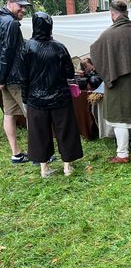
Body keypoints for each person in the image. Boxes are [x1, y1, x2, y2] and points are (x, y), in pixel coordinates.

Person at [21, 12, 83, 178]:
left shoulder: (26, 48)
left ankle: (44, 168)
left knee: (39, 133)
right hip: (60, 97)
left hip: (36, 99)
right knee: (65, 130)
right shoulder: (59, 47)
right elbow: (70, 73)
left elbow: (23, 77)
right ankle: (67, 166)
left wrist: (25, 98)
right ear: (50, 26)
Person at [90, 0, 131, 163]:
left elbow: (95, 51)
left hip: (118, 82)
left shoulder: (109, 33)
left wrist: (110, 70)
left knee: (119, 118)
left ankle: (122, 154)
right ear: (126, 13)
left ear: (113, 14)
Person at [0, 0, 31, 164]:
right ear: (10, 4)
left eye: (25, 6)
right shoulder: (10, 23)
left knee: (9, 114)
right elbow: (8, 52)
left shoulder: (1, 19)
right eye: (21, 6)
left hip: (5, 78)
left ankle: (16, 154)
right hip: (14, 78)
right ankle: (38, 153)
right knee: (32, 114)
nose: (23, 10)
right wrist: (2, 78)